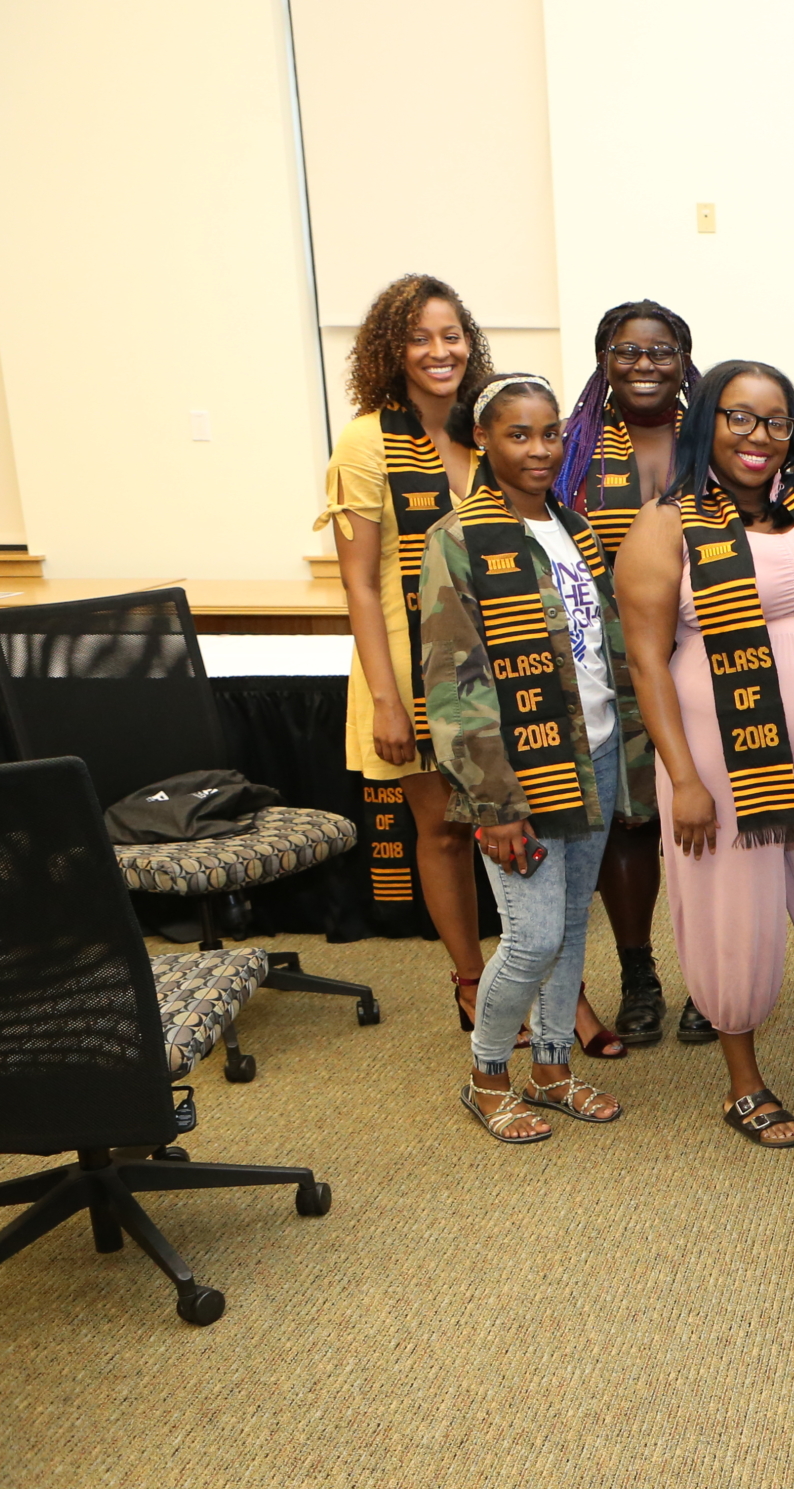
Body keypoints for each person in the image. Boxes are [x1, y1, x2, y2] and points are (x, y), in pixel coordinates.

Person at [613, 359, 794, 1143]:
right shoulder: (664, 526)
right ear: (705, 421)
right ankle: (744, 1081)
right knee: (731, 911)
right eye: (739, 418)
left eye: (777, 422)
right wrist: (682, 780)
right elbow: (645, 660)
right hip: (722, 758)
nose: (759, 436)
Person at [420, 375, 651, 1142]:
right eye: (518, 434)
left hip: (597, 749)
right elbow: (455, 689)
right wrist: (495, 803)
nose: (540, 448)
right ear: (482, 440)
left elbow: (601, 646)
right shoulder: (457, 539)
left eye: (550, 432)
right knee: (532, 936)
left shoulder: (573, 525)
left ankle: (552, 1069)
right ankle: (488, 1075)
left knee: (573, 928)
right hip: (521, 771)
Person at [322, 273, 492, 1032]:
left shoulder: (486, 429)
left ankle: (556, 984)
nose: (438, 350)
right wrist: (387, 699)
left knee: (525, 822)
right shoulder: (365, 441)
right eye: (419, 337)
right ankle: (471, 981)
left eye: (450, 334)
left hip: (497, 664)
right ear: (391, 350)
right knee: (447, 830)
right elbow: (357, 582)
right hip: (408, 668)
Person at [556, 299, 698, 1055]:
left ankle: (711, 979)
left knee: (714, 818)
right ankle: (640, 973)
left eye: (662, 350)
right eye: (627, 351)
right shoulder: (573, 449)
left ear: (684, 359)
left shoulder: (711, 436)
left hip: (707, 651)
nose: (645, 364)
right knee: (628, 820)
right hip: (608, 663)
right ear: (604, 360)